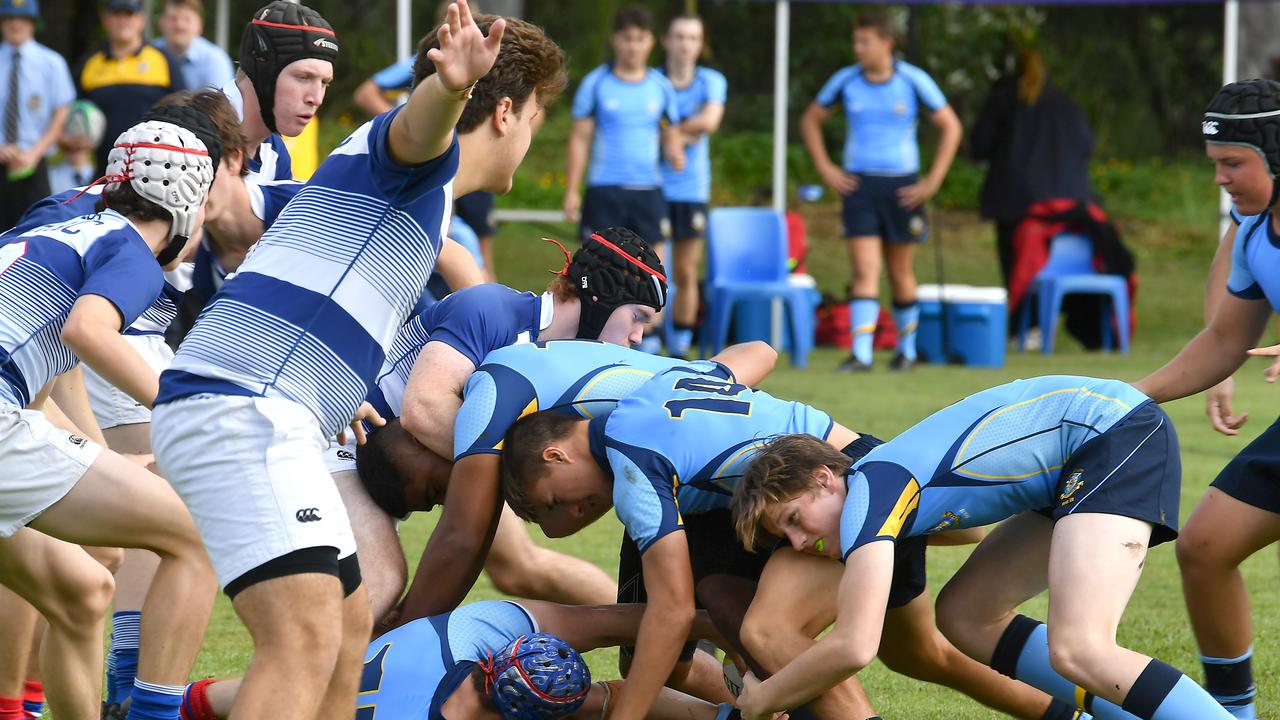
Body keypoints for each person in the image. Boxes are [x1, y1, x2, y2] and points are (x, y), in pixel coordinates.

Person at [149, 4, 503, 719]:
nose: (316, 93)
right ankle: (147, 697)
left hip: (264, 404)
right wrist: (452, 88)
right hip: (238, 393)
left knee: (345, 627)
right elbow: (414, 131)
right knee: (305, 637)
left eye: (324, 79)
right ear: (509, 116)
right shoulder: (402, 159)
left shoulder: (365, 186)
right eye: (303, 75)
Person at [501, 367, 1085, 720]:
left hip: (837, 492)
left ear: (558, 452)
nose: (567, 518)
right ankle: (1066, 710)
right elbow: (754, 355)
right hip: (852, 473)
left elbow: (672, 611)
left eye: (552, 501)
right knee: (918, 652)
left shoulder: (632, 464)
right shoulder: (651, 387)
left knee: (765, 632)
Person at [728, 375, 1233, 720]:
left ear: (825, 477)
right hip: (1079, 455)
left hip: (1110, 437)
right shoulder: (878, 488)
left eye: (794, 519)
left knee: (1080, 647)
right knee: (967, 615)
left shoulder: (866, 498)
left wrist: (762, 700)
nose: (799, 543)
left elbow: (855, 646)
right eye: (785, 536)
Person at [0, 116, 218, 720]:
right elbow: (88, 332)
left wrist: (95, 452)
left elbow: (34, 392)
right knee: (197, 536)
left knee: (83, 592)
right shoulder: (130, 249)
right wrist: (185, 408)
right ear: (185, 207)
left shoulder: (60, 235)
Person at [344, 229, 658, 621]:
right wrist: (521, 474)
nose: (638, 336)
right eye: (637, 317)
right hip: (350, 439)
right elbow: (423, 411)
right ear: (601, 298)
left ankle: (659, 627)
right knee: (381, 588)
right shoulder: (494, 309)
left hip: (415, 462)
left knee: (516, 564)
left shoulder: (569, 366)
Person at [1132, 78, 1280, 720]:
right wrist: (1127, 398)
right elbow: (1225, 339)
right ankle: (1232, 714)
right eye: (1216, 164)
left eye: (1234, 164)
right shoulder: (1254, 233)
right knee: (1204, 547)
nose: (1221, 179)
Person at [179, 599, 736, 720]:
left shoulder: (486, 629)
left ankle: (178, 702)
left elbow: (614, 629)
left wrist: (719, 624)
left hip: (337, 684)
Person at [800, 11, 961, 373]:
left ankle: (906, 351)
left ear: (887, 43)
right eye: (855, 41)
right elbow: (811, 120)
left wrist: (933, 180)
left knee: (900, 270)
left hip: (903, 187)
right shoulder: (846, 81)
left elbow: (951, 126)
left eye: (865, 42)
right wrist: (828, 169)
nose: (858, 49)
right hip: (860, 186)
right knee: (864, 269)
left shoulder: (912, 80)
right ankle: (862, 354)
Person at [563, 5, 683, 287]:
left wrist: (674, 151)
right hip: (605, 189)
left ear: (651, 42)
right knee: (597, 269)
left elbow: (671, 132)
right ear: (615, 40)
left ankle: (650, 331)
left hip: (648, 190)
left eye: (640, 38)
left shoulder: (661, 86)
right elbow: (580, 139)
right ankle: (595, 329)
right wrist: (571, 190)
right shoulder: (596, 84)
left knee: (654, 270)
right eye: (627, 38)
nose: (633, 46)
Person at [971, 47, 1095, 290]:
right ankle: (1043, 318)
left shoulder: (1003, 99)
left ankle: (1024, 323)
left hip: (1015, 204)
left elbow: (980, 145)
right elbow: (1087, 145)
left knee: (1017, 270)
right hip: (1067, 206)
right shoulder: (1066, 103)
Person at [659, 13, 725, 358]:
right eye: (679, 36)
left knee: (685, 270)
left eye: (693, 38)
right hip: (652, 187)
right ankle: (650, 341)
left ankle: (681, 348)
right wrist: (681, 135)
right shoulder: (653, 81)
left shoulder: (711, 81)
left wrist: (672, 136)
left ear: (701, 45)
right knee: (653, 270)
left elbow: (710, 120)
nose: (685, 45)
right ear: (666, 41)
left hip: (691, 190)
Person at [226, 0, 337, 182]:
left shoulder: (275, 152)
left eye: (325, 83)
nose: (316, 99)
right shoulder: (192, 135)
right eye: (303, 77)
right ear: (262, 70)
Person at [75, 0, 185, 175]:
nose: (122, 21)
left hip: (155, 168)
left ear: (141, 20)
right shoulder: (89, 64)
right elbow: (76, 114)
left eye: (129, 14)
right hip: (105, 170)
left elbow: (182, 111)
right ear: (105, 19)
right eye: (117, 15)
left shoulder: (162, 60)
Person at [0, 0, 74, 229]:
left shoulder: (51, 63)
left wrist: (34, 153)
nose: (15, 25)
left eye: (22, 19)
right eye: (10, 18)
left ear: (33, 23)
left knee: (37, 231)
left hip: (35, 163)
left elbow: (61, 113)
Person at [155, 0, 235, 91]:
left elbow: (217, 104)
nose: (179, 25)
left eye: (187, 19)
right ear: (161, 22)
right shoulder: (148, 53)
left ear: (199, 25)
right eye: (173, 18)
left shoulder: (215, 61)